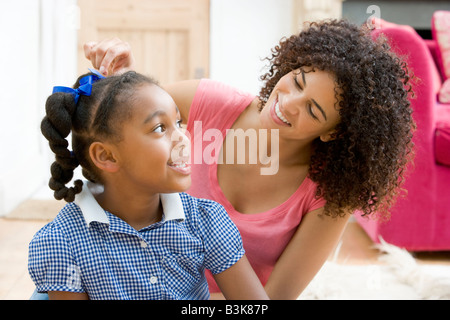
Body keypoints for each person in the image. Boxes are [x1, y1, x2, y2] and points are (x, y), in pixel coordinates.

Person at [83, 19, 416, 299]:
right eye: (297, 81)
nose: (288, 104)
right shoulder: (210, 103)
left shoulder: (329, 195)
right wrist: (122, 77)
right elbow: (124, 122)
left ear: (333, 133)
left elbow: (273, 298)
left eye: (312, 110)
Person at [28, 70, 269, 300]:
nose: (183, 139)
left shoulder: (207, 220)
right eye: (159, 128)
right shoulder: (61, 242)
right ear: (106, 156)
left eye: (179, 122)